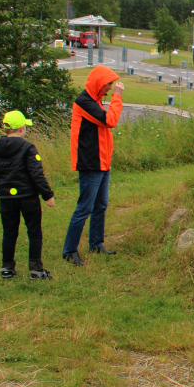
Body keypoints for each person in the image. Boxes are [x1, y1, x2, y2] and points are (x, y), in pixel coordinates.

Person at [0, 110, 56, 280]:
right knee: (34, 232)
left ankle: (7, 268)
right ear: (21, 129)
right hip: (28, 198)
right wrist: (47, 195)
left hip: (6, 199)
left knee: (9, 232)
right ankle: (36, 269)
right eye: (25, 126)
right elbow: (37, 174)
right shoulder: (28, 148)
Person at [62, 65, 124, 266]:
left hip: (102, 162)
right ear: (99, 83)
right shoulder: (84, 102)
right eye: (108, 84)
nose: (109, 88)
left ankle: (96, 244)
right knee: (84, 208)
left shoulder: (94, 100)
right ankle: (69, 251)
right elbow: (110, 120)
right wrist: (117, 97)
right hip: (91, 163)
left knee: (100, 206)